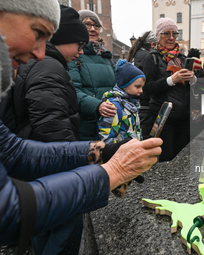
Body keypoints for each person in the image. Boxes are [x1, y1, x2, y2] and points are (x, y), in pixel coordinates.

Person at [0, 0, 162, 251]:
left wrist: (102, 151)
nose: (41, 53)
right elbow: (7, 210)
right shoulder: (49, 67)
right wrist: (113, 171)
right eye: (39, 33)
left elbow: (14, 151)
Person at [11, 5, 91, 254]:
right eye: (78, 44)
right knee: (63, 227)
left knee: (43, 227)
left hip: (37, 164)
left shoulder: (48, 64)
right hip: (51, 167)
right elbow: (51, 127)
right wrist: (75, 168)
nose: (80, 52)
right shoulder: (48, 66)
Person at [143, 17, 195, 161]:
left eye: (174, 34)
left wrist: (193, 79)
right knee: (166, 158)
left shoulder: (182, 58)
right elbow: (148, 88)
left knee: (181, 158)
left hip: (183, 117)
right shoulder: (152, 58)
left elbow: (188, 90)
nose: (171, 38)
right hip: (164, 118)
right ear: (159, 36)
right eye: (166, 33)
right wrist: (172, 80)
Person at [68, 9, 117, 141]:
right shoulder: (73, 56)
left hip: (110, 123)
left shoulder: (106, 56)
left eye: (96, 25)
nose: (93, 29)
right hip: (86, 125)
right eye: (87, 24)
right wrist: (97, 106)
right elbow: (73, 91)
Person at [98, 59, 145, 144]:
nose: (141, 90)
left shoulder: (132, 105)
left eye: (142, 87)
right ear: (125, 85)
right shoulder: (114, 106)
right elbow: (107, 138)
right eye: (137, 87)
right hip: (120, 153)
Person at [127, 31, 157, 139]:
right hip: (144, 103)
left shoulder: (137, 53)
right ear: (153, 45)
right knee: (144, 138)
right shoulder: (148, 56)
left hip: (136, 101)